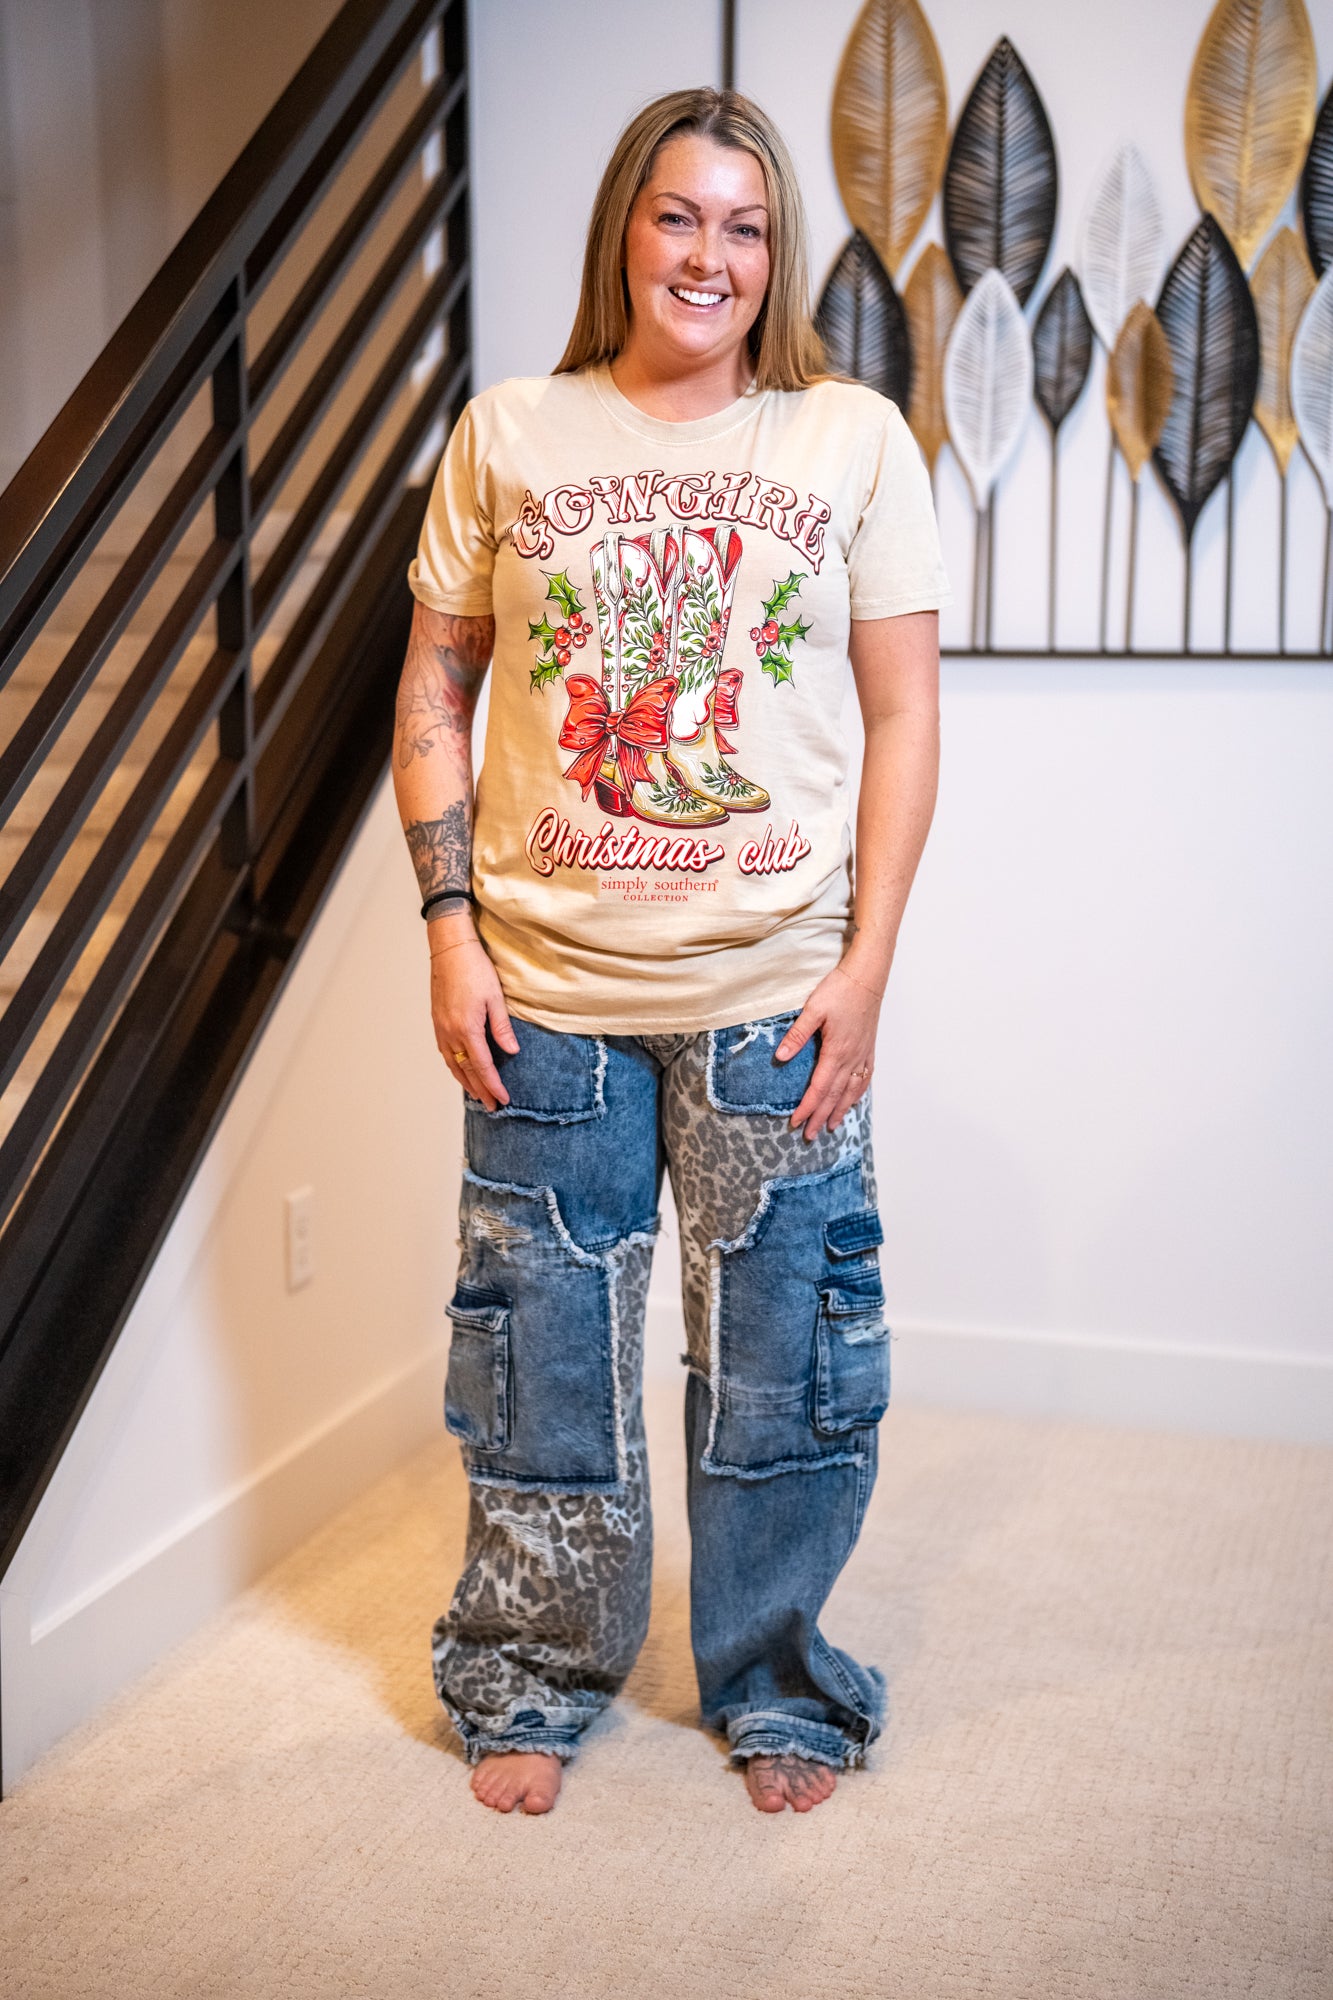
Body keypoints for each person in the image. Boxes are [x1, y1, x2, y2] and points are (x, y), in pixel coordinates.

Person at [391, 86, 950, 1818]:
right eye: (676, 214)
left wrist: (862, 967)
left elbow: (903, 710)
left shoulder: (846, 436)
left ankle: (776, 1681)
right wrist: (445, 928)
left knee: (781, 1361)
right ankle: (533, 1673)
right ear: (623, 231)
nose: (706, 253)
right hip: (543, 997)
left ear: (772, 255)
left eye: (743, 225)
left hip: (771, 992)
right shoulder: (510, 434)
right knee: (543, 1360)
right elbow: (433, 686)